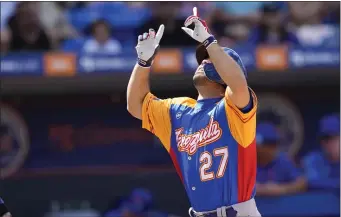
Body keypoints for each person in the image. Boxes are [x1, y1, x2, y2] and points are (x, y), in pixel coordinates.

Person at [127, 7, 260, 217]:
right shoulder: (178, 110)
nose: (204, 62)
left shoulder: (232, 107)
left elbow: (238, 84)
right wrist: (143, 62)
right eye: (203, 59)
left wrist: (209, 41)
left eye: (211, 59)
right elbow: (135, 106)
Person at [256, 123, 306, 196]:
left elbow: (302, 183)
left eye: (275, 143)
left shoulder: (282, 161)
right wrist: (260, 189)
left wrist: (283, 189)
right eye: (268, 144)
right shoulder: (244, 162)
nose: (272, 148)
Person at [302, 114, 340, 191]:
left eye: (335, 137)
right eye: (326, 138)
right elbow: (310, 182)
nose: (330, 143)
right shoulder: (312, 160)